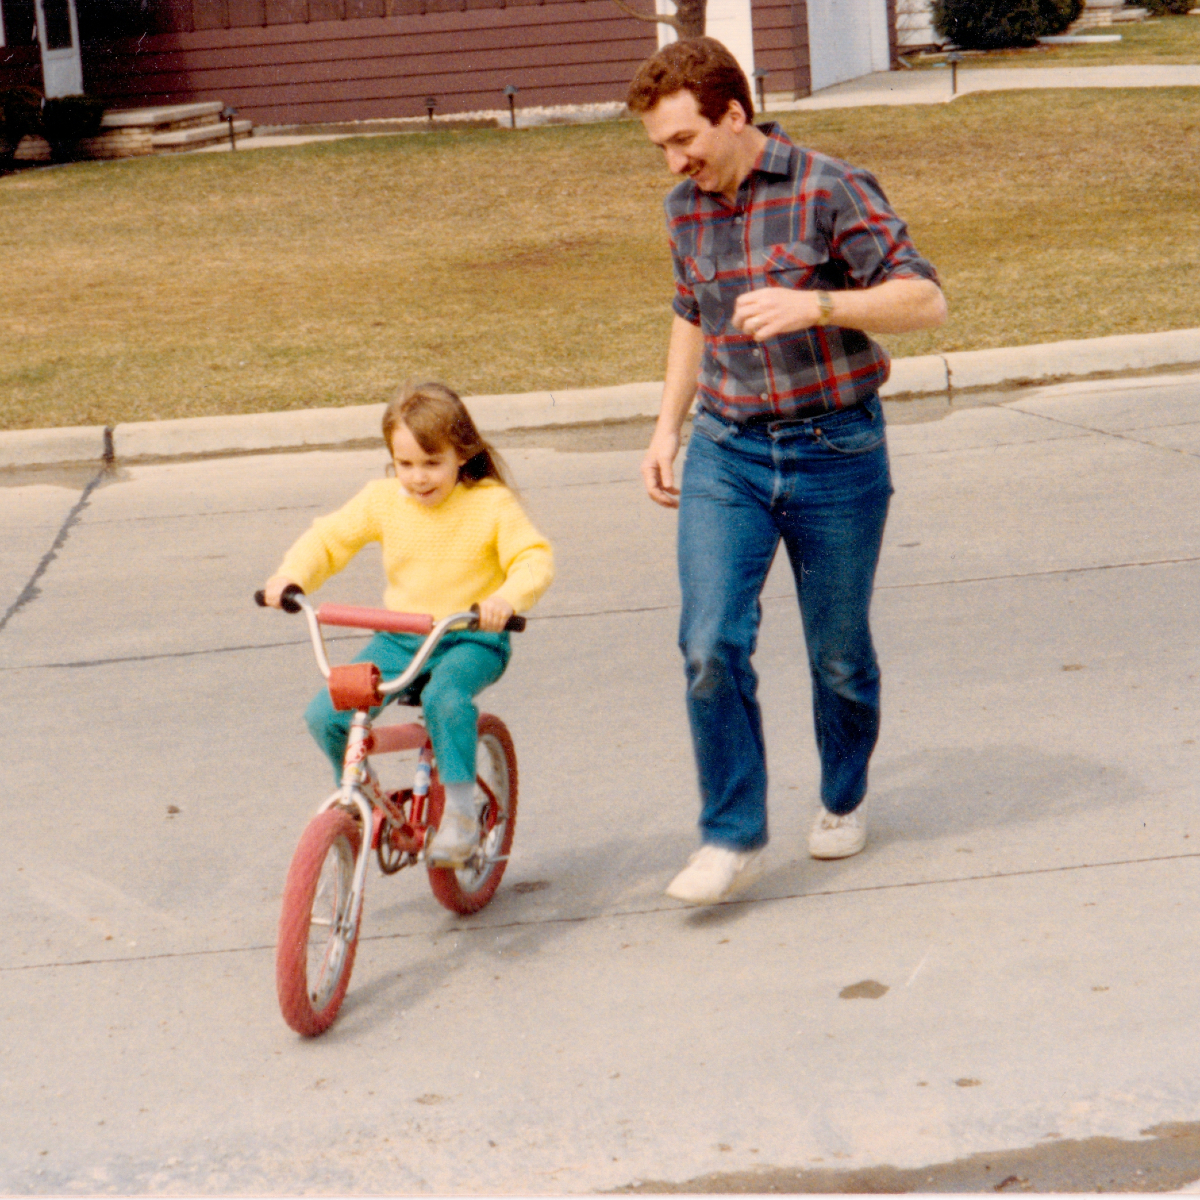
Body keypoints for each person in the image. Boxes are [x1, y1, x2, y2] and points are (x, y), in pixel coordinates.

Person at [626, 38, 947, 905]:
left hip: (835, 449)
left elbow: (926, 299)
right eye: (660, 146)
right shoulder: (683, 208)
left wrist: (818, 303)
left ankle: (843, 793)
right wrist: (665, 428)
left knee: (838, 655)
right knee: (709, 642)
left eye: (684, 139)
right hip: (727, 451)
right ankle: (731, 836)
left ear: (735, 113)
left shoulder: (830, 186)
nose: (674, 161)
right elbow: (691, 314)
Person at [261, 381, 554, 866]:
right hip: (401, 639)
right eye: (405, 464)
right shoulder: (382, 500)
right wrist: (291, 575)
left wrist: (504, 599)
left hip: (470, 638)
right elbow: (329, 540)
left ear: (463, 453)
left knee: (445, 697)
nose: (418, 478)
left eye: (432, 462)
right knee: (326, 715)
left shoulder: (490, 504)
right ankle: (356, 792)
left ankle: (460, 813)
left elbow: (532, 558)